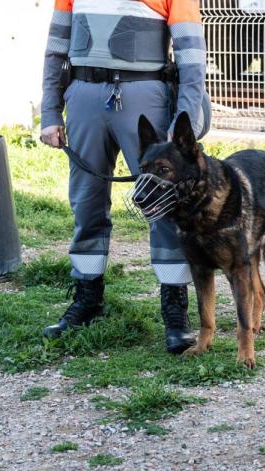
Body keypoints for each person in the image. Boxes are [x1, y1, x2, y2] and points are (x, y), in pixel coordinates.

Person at [38, 0, 210, 354]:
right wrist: (50, 111)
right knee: (85, 204)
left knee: (163, 207)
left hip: (147, 98)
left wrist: (184, 127)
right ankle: (87, 300)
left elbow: (192, 59)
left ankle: (175, 313)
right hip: (84, 98)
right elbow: (56, 48)